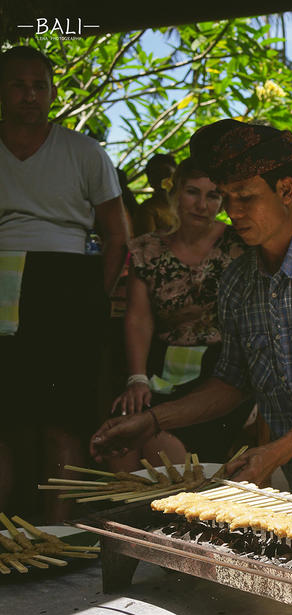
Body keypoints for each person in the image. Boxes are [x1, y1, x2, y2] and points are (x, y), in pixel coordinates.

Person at [90, 119, 292, 522]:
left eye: (245, 198)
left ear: (285, 190)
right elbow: (232, 382)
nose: (232, 212)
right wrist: (150, 421)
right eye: (227, 198)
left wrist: (274, 452)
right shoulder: (236, 282)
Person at [0, 46, 130, 520]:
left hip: (66, 283)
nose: (30, 95)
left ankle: (61, 537)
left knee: (64, 421)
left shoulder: (83, 151)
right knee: (3, 420)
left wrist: (90, 300)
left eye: (40, 85)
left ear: (53, 92)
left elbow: (116, 235)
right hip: (2, 279)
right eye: (18, 84)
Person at [108, 157, 248, 471]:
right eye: (192, 192)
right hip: (160, 368)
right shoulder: (148, 249)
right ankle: (130, 520)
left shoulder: (240, 246)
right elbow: (138, 318)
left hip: (221, 373)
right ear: (175, 193)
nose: (201, 204)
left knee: (161, 449)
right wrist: (137, 378)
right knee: (121, 445)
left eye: (212, 195)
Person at [133, 153, 177, 236]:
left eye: (167, 173)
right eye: (158, 175)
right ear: (150, 181)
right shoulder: (148, 210)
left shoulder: (187, 205)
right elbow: (148, 244)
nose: (163, 179)